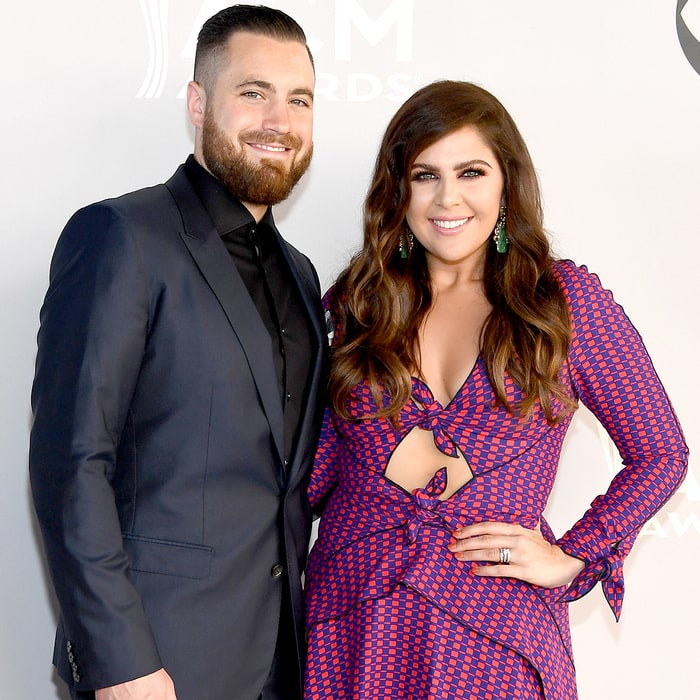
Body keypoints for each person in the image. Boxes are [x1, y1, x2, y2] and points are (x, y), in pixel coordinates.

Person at [303, 80, 688, 700]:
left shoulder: (563, 305)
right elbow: (311, 475)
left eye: (471, 172)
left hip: (495, 641)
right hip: (352, 632)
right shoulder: (358, 306)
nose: (447, 197)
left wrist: (575, 555)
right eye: (424, 174)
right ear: (397, 189)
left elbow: (662, 454)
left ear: (506, 183)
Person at [29, 6, 325, 700]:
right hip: (155, 665)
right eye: (253, 92)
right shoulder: (120, 236)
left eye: (299, 99)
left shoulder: (304, 275)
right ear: (198, 103)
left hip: (281, 663)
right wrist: (120, 662)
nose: (278, 120)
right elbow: (72, 462)